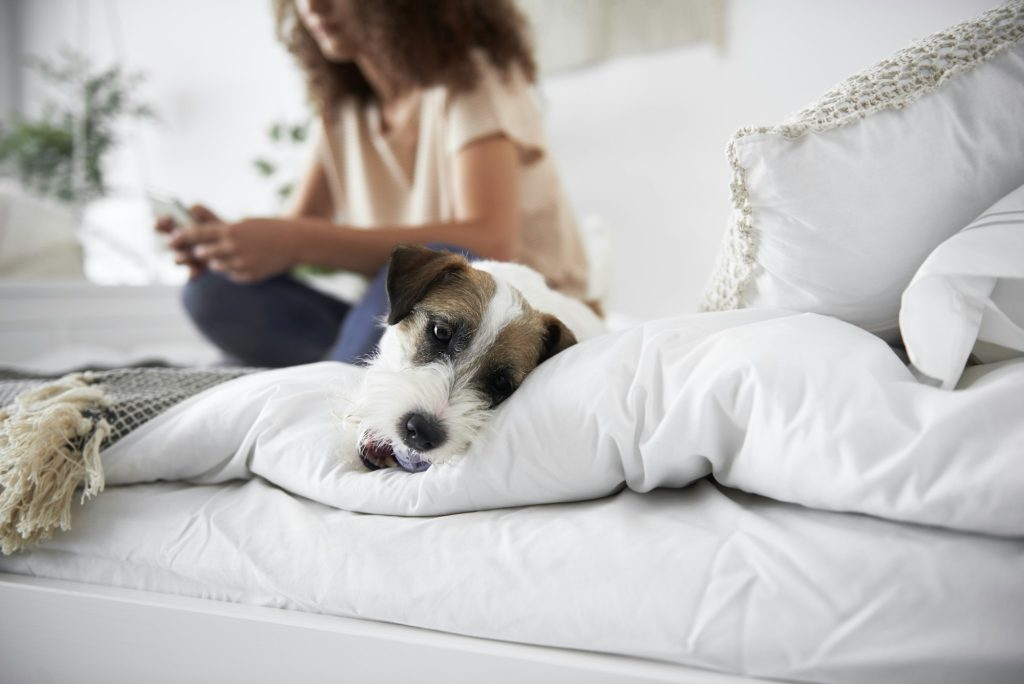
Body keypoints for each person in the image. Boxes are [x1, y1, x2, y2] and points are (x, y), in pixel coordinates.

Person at [157, 0, 590, 367]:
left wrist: (296, 240)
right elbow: (295, 237)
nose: (313, 7)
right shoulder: (343, 112)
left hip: (504, 322)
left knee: (419, 267)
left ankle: (334, 380)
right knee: (212, 292)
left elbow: (489, 241)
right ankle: (344, 370)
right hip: (408, 318)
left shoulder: (470, 80)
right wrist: (230, 245)